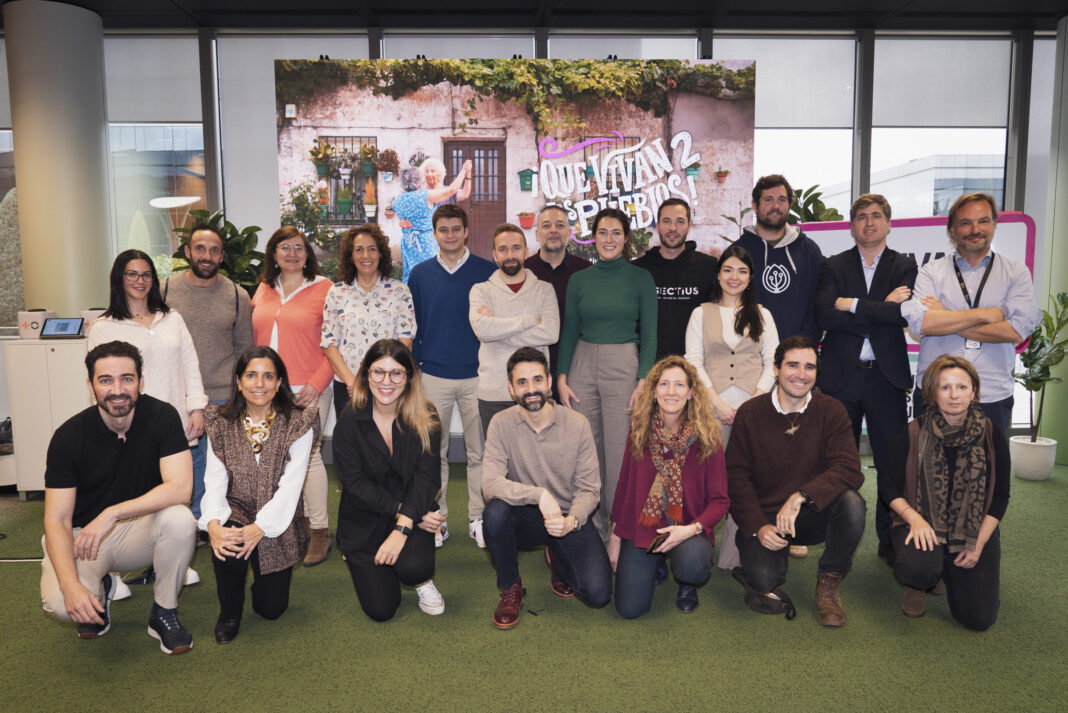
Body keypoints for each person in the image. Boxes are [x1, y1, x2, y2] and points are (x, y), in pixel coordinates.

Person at [40, 341, 197, 654]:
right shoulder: (68, 437)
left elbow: (181, 488)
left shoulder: (163, 417)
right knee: (61, 604)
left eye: (127, 379)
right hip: (85, 539)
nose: (117, 390)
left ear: (141, 381)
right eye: (105, 380)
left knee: (181, 520)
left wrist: (112, 513)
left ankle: (163, 612)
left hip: (137, 531)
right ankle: (102, 587)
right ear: (91, 386)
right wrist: (71, 587)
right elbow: (56, 520)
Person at [726, 336, 866, 627]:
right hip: (767, 516)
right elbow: (736, 478)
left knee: (853, 504)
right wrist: (758, 526)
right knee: (764, 582)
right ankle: (760, 572)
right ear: (776, 369)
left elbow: (850, 468)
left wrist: (801, 495)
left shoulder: (832, 410)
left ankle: (828, 584)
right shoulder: (750, 413)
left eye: (809, 367)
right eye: (792, 365)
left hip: (813, 510)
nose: (801, 374)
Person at [88, 249, 207, 589]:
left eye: (146, 274)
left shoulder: (172, 319)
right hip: (130, 426)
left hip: (174, 422)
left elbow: (190, 363)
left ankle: (172, 562)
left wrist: (196, 407)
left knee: (175, 494)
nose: (140, 281)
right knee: (128, 493)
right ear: (119, 278)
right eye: (132, 274)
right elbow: (100, 382)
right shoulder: (104, 327)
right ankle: (111, 573)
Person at [815, 194, 917, 565]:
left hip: (885, 378)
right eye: (861, 216)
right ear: (852, 225)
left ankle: (889, 539)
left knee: (891, 461)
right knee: (837, 460)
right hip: (841, 377)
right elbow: (825, 316)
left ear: (889, 223)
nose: (869, 222)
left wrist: (853, 304)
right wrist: (881, 308)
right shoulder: (833, 265)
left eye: (876, 216)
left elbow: (902, 316)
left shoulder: (904, 265)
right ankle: (835, 535)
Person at [481, 347, 611, 629]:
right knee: (494, 514)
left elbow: (590, 490)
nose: (531, 389)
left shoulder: (577, 424)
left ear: (550, 382)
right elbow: (490, 483)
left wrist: (571, 521)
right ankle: (510, 585)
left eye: (537, 380)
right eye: (522, 382)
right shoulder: (501, 424)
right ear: (511, 388)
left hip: (567, 517)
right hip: (526, 515)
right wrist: (538, 494)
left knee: (598, 594)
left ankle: (557, 556)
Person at [200, 346, 319, 644]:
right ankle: (229, 613)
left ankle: (259, 575)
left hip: (278, 513)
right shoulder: (220, 421)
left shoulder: (298, 422)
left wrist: (260, 527)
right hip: (236, 507)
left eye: (268, 376)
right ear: (239, 382)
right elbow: (215, 480)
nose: (259, 384)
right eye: (251, 375)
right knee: (228, 543)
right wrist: (213, 524)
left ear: (279, 383)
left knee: (271, 609)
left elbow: (291, 486)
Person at [881, 355, 1009, 630]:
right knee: (918, 568)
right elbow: (888, 487)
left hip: (971, 528)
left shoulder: (991, 433)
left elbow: (1001, 495)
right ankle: (919, 583)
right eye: (945, 387)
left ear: (974, 392)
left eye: (962, 387)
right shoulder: (912, 432)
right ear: (932, 393)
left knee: (978, 619)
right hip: (922, 523)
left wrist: (979, 543)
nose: (954, 395)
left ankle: (947, 568)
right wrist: (914, 519)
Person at [556, 207, 657, 544]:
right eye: (602, 232)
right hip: (582, 363)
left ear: (626, 238)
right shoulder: (579, 279)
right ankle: (592, 533)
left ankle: (619, 531)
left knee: (618, 452)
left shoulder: (641, 278)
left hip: (624, 365)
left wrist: (644, 380)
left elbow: (650, 334)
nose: (609, 239)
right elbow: (569, 331)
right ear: (593, 237)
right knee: (585, 449)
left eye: (616, 232)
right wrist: (561, 377)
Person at [901, 192, 1041, 434]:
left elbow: (1016, 331)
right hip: (936, 391)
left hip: (992, 393)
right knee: (929, 459)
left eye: (983, 221)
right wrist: (986, 315)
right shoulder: (930, 272)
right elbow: (922, 324)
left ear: (994, 224)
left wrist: (945, 315)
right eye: (966, 223)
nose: (975, 229)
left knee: (989, 459)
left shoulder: (1016, 273)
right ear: (952, 230)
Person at [332, 339, 446, 622]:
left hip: (412, 510)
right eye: (378, 372)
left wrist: (404, 527)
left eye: (396, 373)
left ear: (409, 377)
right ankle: (377, 563)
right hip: (366, 517)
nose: (387, 381)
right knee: (381, 610)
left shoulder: (426, 416)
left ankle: (420, 580)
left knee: (415, 568)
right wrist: (409, 514)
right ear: (366, 375)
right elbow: (355, 484)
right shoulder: (348, 420)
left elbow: (427, 477)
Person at [608, 356, 729, 618]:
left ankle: (686, 581)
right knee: (629, 609)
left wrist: (689, 530)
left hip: (688, 526)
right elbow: (625, 483)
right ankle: (657, 563)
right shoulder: (639, 429)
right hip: (645, 527)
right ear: (653, 391)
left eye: (679, 385)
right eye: (664, 384)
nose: (671, 392)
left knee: (692, 564)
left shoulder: (708, 436)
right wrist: (615, 535)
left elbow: (720, 501)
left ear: (691, 393)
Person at [684, 243, 779, 570]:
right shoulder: (701, 313)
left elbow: (773, 362)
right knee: (705, 481)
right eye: (728, 270)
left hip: (755, 409)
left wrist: (754, 403)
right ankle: (696, 551)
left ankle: (736, 557)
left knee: (746, 481)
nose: (734, 276)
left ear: (750, 277)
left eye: (742, 270)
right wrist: (717, 403)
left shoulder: (763, 315)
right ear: (718, 274)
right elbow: (693, 362)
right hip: (711, 408)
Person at [409, 204, 496, 548]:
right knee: (433, 453)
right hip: (433, 375)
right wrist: (415, 367)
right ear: (434, 234)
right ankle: (438, 520)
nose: (450, 235)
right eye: (443, 230)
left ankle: (479, 518)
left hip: (479, 375)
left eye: (456, 229)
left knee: (481, 452)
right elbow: (413, 325)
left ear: (466, 232)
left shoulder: (487, 271)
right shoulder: (420, 274)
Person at [252, 227, 334, 566]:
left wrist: (317, 383)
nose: (292, 253)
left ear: (307, 254)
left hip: (308, 389)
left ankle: (320, 531)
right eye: (285, 247)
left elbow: (335, 341)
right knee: (275, 458)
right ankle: (292, 523)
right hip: (267, 390)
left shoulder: (324, 288)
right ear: (273, 253)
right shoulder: (263, 289)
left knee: (308, 457)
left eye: (299, 247)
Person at [162, 224, 254, 526]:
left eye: (214, 250)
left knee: (217, 468)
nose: (207, 256)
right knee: (180, 466)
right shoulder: (163, 291)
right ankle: (182, 525)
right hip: (176, 395)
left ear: (222, 256)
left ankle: (209, 524)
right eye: (200, 248)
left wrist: (239, 398)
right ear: (188, 252)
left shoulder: (238, 296)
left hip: (222, 397)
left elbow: (244, 350)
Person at [469, 223, 559, 431]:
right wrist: (528, 321)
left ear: (526, 252)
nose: (510, 255)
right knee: (496, 452)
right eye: (503, 249)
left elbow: (551, 333)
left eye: (516, 248)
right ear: (494, 255)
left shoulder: (544, 290)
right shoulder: (481, 291)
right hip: (494, 394)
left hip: (536, 391)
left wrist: (497, 327)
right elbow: (483, 331)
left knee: (539, 451)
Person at [322, 224, 415, 420]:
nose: (366, 255)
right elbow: (329, 344)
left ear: (381, 253)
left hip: (389, 385)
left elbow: (405, 341)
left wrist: (384, 379)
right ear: (350, 255)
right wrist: (352, 383)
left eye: (372, 249)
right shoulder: (336, 292)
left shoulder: (399, 291)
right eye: (359, 249)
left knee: (389, 437)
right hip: (348, 386)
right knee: (350, 439)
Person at [733, 174, 824, 343]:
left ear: (789, 205)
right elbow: (728, 305)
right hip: (749, 351)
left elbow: (818, 304)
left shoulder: (809, 251)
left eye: (782, 200)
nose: (776, 206)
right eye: (768, 200)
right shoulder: (738, 252)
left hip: (797, 351)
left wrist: (803, 344)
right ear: (755, 206)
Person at [633, 198, 718, 360]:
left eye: (680, 221)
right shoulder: (638, 269)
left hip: (694, 365)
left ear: (689, 225)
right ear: (658, 225)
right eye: (666, 221)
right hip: (647, 365)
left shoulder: (709, 267)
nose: (673, 228)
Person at [523, 205, 591, 400]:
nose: (553, 230)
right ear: (537, 234)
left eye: (560, 225)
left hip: (576, 370)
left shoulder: (586, 271)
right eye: (546, 225)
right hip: (531, 369)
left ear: (569, 232)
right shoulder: (523, 271)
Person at [390, 160, 472, 282]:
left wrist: (406, 221)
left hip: (411, 243)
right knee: (433, 273)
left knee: (413, 274)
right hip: (427, 241)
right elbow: (452, 189)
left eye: (432, 171)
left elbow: (462, 193)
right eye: (426, 172)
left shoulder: (399, 200)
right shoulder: (424, 195)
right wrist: (464, 170)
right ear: (420, 180)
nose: (429, 174)